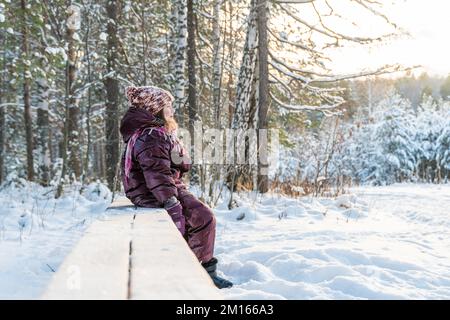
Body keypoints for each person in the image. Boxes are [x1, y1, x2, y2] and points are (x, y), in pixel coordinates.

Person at [119, 85, 233, 289]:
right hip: (155, 192)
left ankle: (196, 269)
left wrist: (178, 156)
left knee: (199, 217)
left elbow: (174, 164)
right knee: (203, 217)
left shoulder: (155, 133)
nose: (172, 110)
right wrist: (171, 201)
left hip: (158, 189)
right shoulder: (152, 135)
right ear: (155, 109)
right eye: (168, 106)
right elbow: (156, 173)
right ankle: (199, 273)